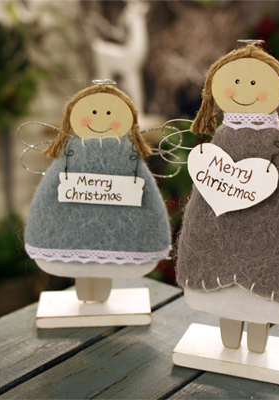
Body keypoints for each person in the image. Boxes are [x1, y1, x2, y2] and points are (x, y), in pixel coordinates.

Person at [176, 44, 279, 353]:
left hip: (272, 246)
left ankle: (257, 347)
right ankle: (230, 345)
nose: (244, 90)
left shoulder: (274, 143)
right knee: (226, 300)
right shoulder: (222, 139)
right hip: (219, 234)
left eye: (254, 82)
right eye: (237, 81)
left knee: (262, 300)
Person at [25, 82, 171, 302]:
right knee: (88, 273)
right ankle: (91, 300)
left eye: (109, 113)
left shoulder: (127, 157)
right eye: (93, 112)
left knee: (101, 274)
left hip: (121, 238)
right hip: (71, 236)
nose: (100, 118)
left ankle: (96, 300)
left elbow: (146, 193)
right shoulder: (71, 155)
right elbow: (49, 194)